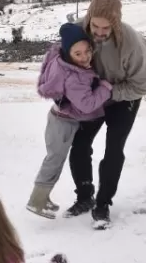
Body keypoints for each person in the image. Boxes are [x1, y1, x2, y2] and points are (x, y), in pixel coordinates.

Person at [66, 0, 146, 228]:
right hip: (92, 97)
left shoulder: (132, 43)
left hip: (124, 97)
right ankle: (84, 197)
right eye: (95, 25)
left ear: (115, 23)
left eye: (106, 28)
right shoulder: (76, 32)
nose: (99, 32)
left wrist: (108, 92)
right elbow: (60, 64)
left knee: (114, 149)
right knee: (79, 144)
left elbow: (142, 85)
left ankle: (103, 204)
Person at [28, 22, 114, 219]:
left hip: (58, 117)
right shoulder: (74, 77)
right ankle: (37, 201)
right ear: (68, 53)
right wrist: (105, 87)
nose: (85, 57)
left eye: (87, 51)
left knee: (54, 158)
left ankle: (42, 197)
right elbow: (87, 104)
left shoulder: (60, 61)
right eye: (78, 54)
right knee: (54, 160)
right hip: (64, 123)